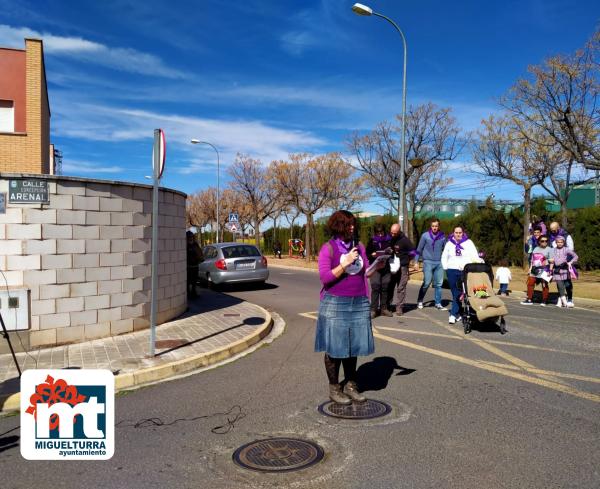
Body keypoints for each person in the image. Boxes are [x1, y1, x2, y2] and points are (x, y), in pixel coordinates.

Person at [315, 210, 383, 405]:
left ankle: (352, 386)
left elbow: (365, 272)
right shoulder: (328, 248)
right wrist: (344, 264)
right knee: (335, 348)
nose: (352, 227)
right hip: (335, 303)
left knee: (353, 347)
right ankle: (335, 388)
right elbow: (325, 278)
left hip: (359, 301)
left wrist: (376, 266)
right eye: (348, 224)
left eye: (353, 224)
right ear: (338, 226)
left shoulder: (359, 246)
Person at [441, 226, 482, 324]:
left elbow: (474, 256)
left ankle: (453, 314)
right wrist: (445, 267)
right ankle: (458, 313)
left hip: (464, 270)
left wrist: (479, 262)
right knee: (455, 292)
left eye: (460, 232)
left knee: (459, 293)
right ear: (453, 233)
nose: (458, 234)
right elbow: (444, 256)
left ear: (463, 233)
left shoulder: (468, 242)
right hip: (451, 270)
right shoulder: (449, 243)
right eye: (456, 232)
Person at [414, 217, 447, 310]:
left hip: (439, 262)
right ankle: (420, 300)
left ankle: (438, 303)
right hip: (428, 262)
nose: (434, 228)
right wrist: (416, 261)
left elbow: (446, 249)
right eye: (433, 226)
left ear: (439, 226)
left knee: (439, 284)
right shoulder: (425, 236)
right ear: (430, 226)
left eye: (436, 226)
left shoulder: (443, 236)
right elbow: (419, 249)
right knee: (427, 282)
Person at [387, 223, 417, 316]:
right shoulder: (390, 238)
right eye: (391, 232)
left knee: (401, 287)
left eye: (394, 233)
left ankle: (399, 307)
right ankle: (388, 306)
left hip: (403, 267)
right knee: (390, 286)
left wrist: (409, 260)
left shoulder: (405, 241)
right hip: (392, 265)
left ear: (399, 231)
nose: (392, 234)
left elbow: (413, 252)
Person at [365, 223, 393, 318]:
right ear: (375, 233)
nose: (380, 235)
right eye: (378, 233)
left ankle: (384, 309)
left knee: (385, 288)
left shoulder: (389, 240)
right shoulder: (372, 241)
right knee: (376, 287)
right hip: (375, 267)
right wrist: (372, 255)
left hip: (386, 267)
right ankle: (373, 309)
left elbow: (392, 253)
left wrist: (391, 252)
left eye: (382, 232)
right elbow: (366, 254)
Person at [520, 235, 553, 306]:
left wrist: (550, 270)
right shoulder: (535, 249)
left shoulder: (550, 249)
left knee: (544, 284)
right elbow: (532, 260)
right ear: (539, 242)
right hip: (535, 269)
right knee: (530, 283)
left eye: (546, 241)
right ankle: (529, 299)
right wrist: (530, 269)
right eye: (542, 241)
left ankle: (544, 300)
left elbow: (552, 261)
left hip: (544, 269)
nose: (544, 242)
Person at [551, 235, 578, 308]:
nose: (559, 243)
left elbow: (575, 256)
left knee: (567, 285)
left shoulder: (566, 249)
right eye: (558, 242)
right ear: (556, 242)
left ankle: (566, 300)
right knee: (559, 286)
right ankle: (564, 301)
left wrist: (570, 262)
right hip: (556, 270)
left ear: (564, 242)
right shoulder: (553, 250)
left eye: (561, 242)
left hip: (565, 270)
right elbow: (551, 259)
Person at [186, 231, 203, 298]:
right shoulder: (186, 245)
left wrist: (200, 259)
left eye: (192, 237)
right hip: (188, 266)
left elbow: (200, 253)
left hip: (195, 266)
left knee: (194, 281)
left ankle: (193, 293)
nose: (191, 238)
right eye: (189, 237)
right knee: (187, 281)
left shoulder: (195, 245)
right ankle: (188, 293)